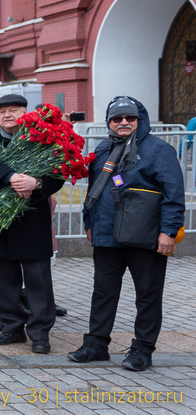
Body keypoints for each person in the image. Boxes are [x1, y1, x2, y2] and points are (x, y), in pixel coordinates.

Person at [68, 96, 184, 371]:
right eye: (117, 118)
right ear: (109, 122)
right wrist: (89, 223)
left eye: (129, 118)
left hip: (146, 237)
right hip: (106, 234)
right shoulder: (103, 148)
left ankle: (142, 350)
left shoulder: (159, 150)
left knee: (147, 294)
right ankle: (96, 345)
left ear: (139, 120)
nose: (123, 122)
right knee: (103, 292)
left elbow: (173, 194)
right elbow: (93, 190)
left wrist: (168, 231)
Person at [0, 94, 63, 355]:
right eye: (2, 112)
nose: (7, 115)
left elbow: (56, 173)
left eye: (13, 110)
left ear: (25, 112)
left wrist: (37, 183)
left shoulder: (40, 138)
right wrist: (10, 177)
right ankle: (11, 327)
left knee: (38, 280)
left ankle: (40, 334)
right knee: (3, 279)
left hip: (32, 221)